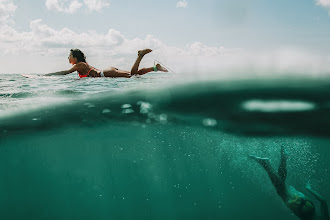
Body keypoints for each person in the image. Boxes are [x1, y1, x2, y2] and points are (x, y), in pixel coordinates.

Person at [249, 146, 329, 220]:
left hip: (308, 204)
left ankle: (283, 157)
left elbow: (323, 201)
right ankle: (266, 164)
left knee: (281, 184)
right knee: (281, 190)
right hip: (300, 210)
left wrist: (309, 189)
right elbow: (324, 201)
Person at [45, 48, 168, 78]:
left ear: (75, 58)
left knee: (132, 76)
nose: (68, 58)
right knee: (134, 75)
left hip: (106, 73)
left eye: (69, 56)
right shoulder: (82, 66)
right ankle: (154, 68)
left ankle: (140, 55)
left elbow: (65, 72)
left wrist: (47, 76)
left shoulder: (79, 65)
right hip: (107, 71)